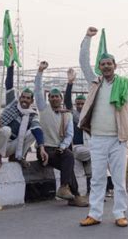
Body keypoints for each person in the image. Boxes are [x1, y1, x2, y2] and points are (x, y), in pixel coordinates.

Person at [78, 27, 128, 228]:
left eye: (109, 64)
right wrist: (88, 37)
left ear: (115, 66)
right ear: (99, 67)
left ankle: (119, 213)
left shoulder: (124, 85)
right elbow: (82, 61)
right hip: (97, 138)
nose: (106, 67)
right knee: (97, 179)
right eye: (103, 64)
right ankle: (94, 213)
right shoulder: (95, 82)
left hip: (118, 139)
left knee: (118, 180)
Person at [35, 61, 88, 207]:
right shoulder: (43, 109)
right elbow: (37, 90)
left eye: (57, 96)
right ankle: (74, 195)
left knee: (68, 158)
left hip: (59, 150)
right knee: (68, 164)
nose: (54, 98)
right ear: (48, 99)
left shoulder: (67, 115)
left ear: (60, 98)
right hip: (45, 150)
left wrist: (63, 146)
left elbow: (69, 135)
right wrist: (40, 72)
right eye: (51, 96)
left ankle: (67, 190)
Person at [0, 63, 49, 169]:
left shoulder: (32, 114)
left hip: (11, 146)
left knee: (32, 132)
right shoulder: (12, 102)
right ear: (20, 98)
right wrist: (10, 67)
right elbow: (9, 85)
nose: (25, 100)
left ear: (31, 101)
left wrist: (41, 147)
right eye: (23, 97)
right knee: (6, 130)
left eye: (28, 98)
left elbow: (37, 129)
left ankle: (17, 156)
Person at [64, 68, 91, 176]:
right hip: (77, 148)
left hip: (89, 147)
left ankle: (108, 188)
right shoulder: (74, 115)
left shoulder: (90, 115)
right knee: (98, 154)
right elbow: (67, 101)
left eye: (82, 104)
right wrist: (70, 83)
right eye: (78, 104)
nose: (80, 106)